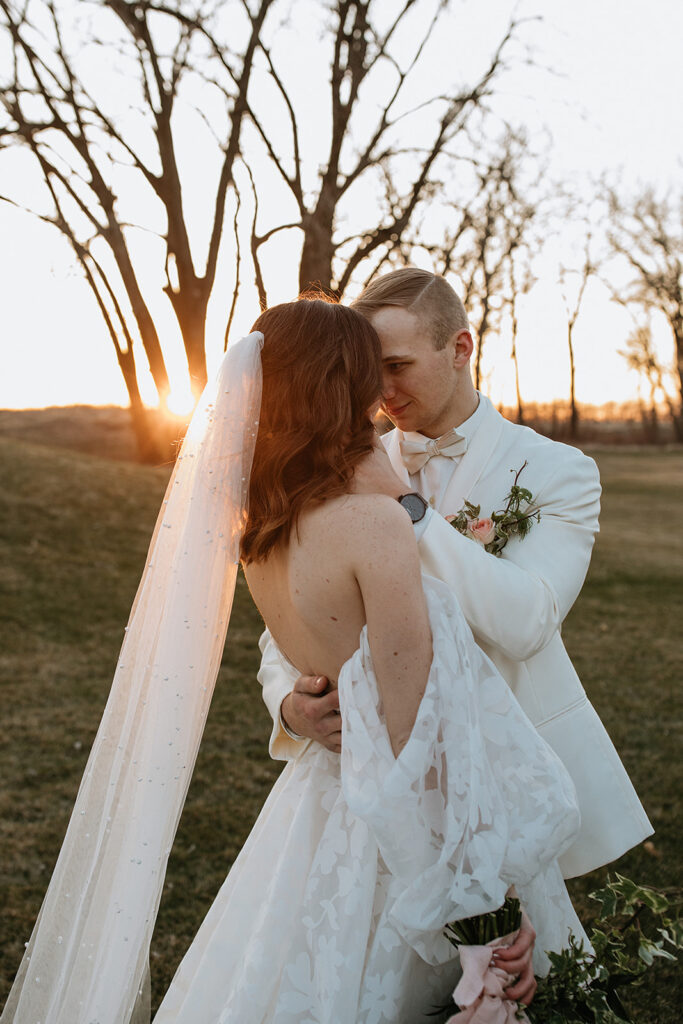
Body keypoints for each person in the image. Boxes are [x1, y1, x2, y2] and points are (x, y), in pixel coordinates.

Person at [4, 297, 582, 1024]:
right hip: (401, 821)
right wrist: (482, 916)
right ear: (338, 386)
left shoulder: (259, 531)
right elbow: (414, 743)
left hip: (318, 803)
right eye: (368, 374)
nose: (380, 393)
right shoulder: (374, 524)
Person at [259, 271, 652, 876]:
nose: (383, 390)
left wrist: (411, 515)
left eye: (398, 364)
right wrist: (287, 706)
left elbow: (527, 623)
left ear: (461, 348)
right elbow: (293, 604)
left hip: (506, 765)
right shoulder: (334, 462)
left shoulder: (558, 471)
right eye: (370, 370)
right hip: (376, 778)